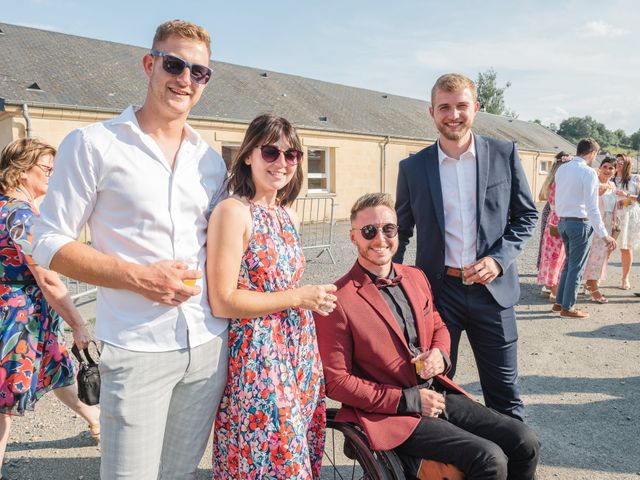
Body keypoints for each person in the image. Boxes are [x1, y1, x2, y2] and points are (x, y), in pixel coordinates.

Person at [31, 20, 229, 479]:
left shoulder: (210, 159)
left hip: (206, 345)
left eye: (199, 72)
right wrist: (138, 277)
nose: (185, 79)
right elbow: (47, 240)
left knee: (178, 475)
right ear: (150, 64)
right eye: (174, 64)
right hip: (138, 349)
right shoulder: (94, 144)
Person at [315, 192, 539, 480]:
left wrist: (440, 354)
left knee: (524, 440)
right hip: (390, 413)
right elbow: (337, 383)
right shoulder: (339, 300)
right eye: (369, 231)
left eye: (388, 229)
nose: (380, 239)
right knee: (489, 459)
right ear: (353, 237)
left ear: (398, 231)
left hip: (437, 393)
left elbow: (438, 325)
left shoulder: (415, 276)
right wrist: (409, 400)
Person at [394, 73, 538, 420]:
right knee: (438, 391)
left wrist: (499, 260)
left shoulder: (504, 154)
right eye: (444, 107)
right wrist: (389, 288)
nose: (453, 114)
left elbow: (527, 216)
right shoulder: (412, 168)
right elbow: (400, 230)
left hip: (493, 293)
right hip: (439, 296)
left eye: (461, 106)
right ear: (432, 113)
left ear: (475, 108)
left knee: (505, 396)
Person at [207, 114, 336, 479]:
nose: (282, 163)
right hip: (258, 351)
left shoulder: (287, 215)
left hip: (297, 347)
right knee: (275, 457)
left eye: (292, 155)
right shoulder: (233, 212)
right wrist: (297, 297)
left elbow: (288, 287)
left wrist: (311, 300)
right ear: (249, 155)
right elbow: (224, 300)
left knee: (299, 445)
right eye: (270, 152)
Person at [0, 139, 100, 473]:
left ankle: (98, 421)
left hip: (24, 316)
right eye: (47, 169)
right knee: (2, 402)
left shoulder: (4, 206)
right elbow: (47, 278)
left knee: (56, 367)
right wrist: (78, 323)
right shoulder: (21, 215)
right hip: (17, 317)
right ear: (21, 170)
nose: (52, 177)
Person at [553, 138, 617, 318]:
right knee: (576, 267)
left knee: (568, 264)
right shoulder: (588, 173)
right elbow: (592, 207)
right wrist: (605, 234)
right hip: (580, 223)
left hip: (563, 221)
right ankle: (568, 307)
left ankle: (559, 303)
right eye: (596, 154)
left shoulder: (562, 169)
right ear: (591, 153)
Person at [584, 157, 619, 302]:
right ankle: (593, 286)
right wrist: (598, 192)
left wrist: (616, 220)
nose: (607, 170)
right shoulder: (594, 183)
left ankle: (590, 282)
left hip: (608, 224)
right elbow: (589, 203)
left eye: (611, 168)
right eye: (605, 166)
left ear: (615, 170)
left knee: (602, 255)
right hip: (594, 223)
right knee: (593, 255)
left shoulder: (612, 185)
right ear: (600, 167)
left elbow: (615, 205)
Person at [537, 152, 570, 300]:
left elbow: (543, 196)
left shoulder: (552, 181)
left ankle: (551, 286)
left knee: (551, 254)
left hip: (552, 216)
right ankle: (556, 291)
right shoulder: (562, 182)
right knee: (559, 255)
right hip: (560, 217)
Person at [612, 153, 640, 290]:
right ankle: (597, 277)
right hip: (611, 215)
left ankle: (625, 278)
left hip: (629, 216)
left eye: (621, 161)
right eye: (616, 160)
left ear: (627, 163)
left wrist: (627, 197)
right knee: (606, 247)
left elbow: (639, 198)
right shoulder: (611, 179)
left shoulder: (635, 178)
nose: (617, 163)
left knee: (625, 248)